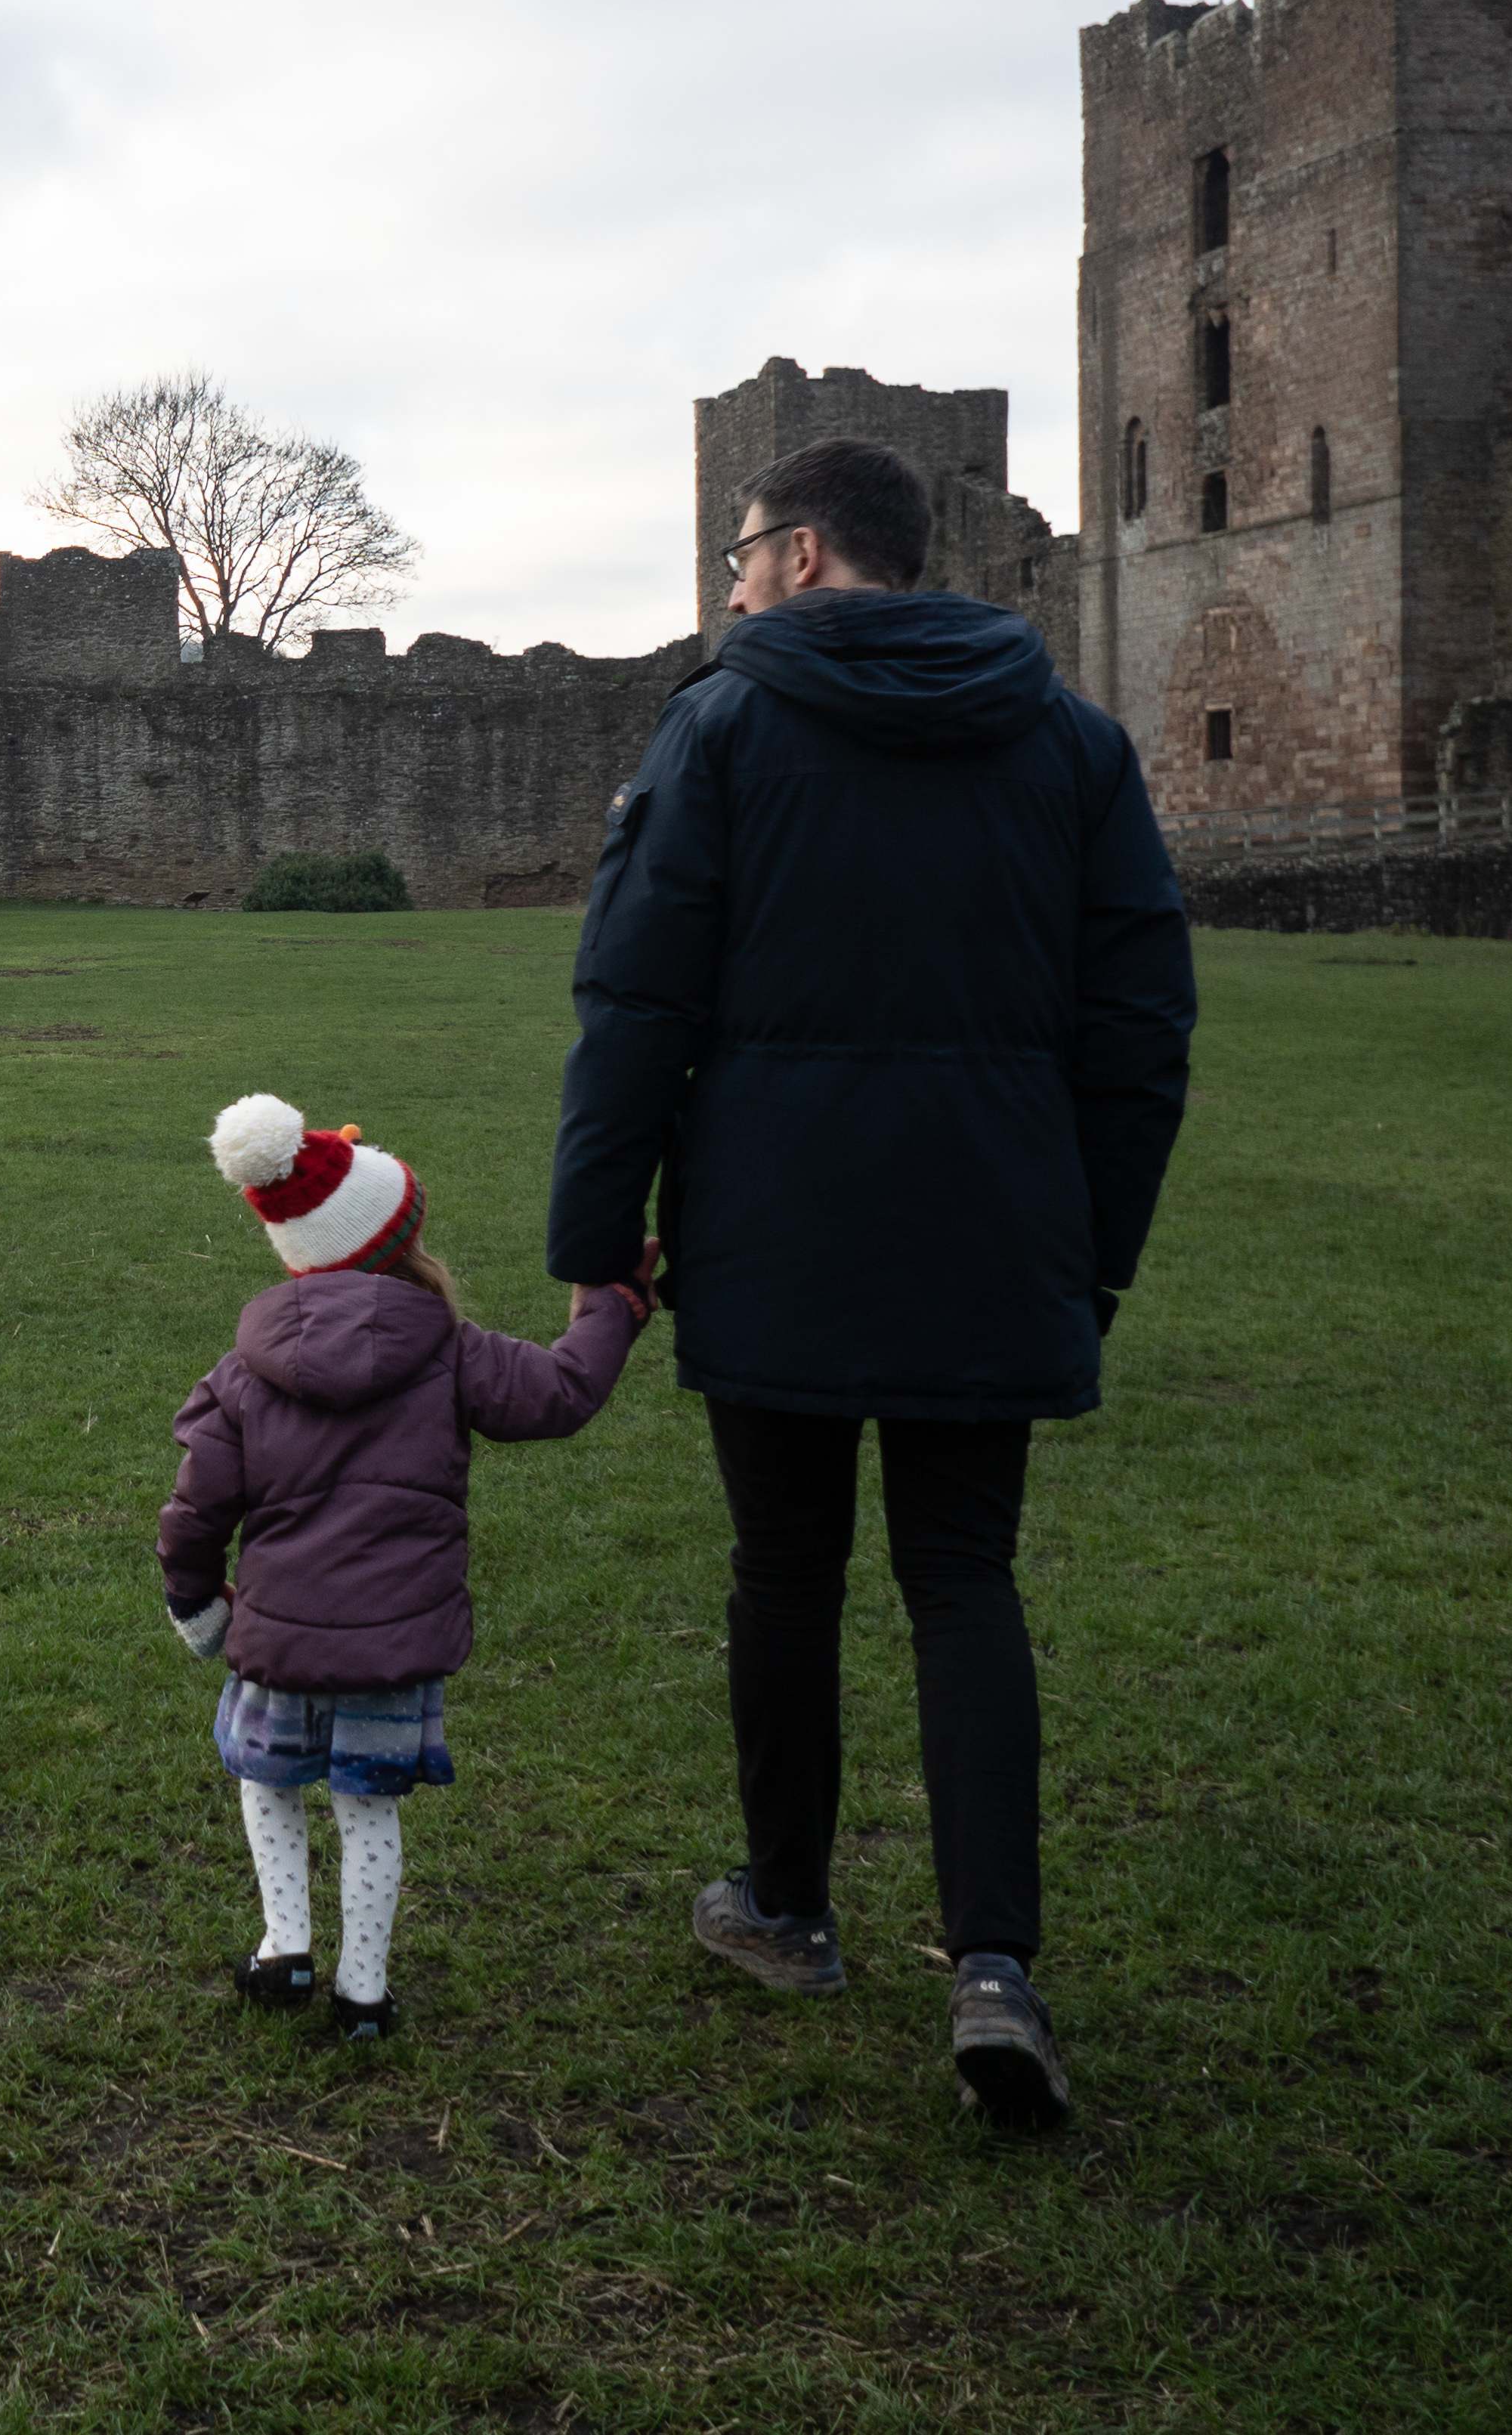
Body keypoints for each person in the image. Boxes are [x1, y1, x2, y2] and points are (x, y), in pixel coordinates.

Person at [547, 437, 1195, 2129]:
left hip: (778, 1219)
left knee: (787, 1568)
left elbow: (636, 995)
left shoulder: (726, 724)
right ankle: (993, 1966)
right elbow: (1139, 1029)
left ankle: (788, 1905)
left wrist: (598, 1231)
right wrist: (1092, 1254)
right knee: (965, 1582)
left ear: (810, 551)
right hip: (998, 1228)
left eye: (744, 554)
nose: (737, 581)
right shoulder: (1071, 740)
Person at [162, 1093, 654, 2040]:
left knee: (268, 1780)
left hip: (278, 1633)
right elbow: (561, 1391)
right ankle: (363, 1993)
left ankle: (283, 1949)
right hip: (397, 1642)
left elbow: (195, 1508)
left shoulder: (243, 1369)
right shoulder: (452, 1352)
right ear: (403, 1239)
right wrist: (612, 1306)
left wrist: (193, 1597)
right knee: (366, 1804)